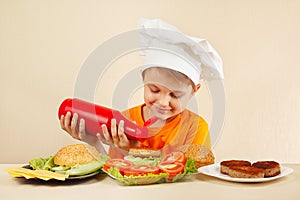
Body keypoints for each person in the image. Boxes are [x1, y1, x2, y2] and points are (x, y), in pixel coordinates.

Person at [60, 18, 224, 158]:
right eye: (154, 90)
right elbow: (113, 172)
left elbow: (190, 178)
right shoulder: (125, 120)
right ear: (143, 80)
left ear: (194, 91)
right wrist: (93, 141)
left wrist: (134, 150)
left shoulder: (195, 128)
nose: (163, 102)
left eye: (175, 95)